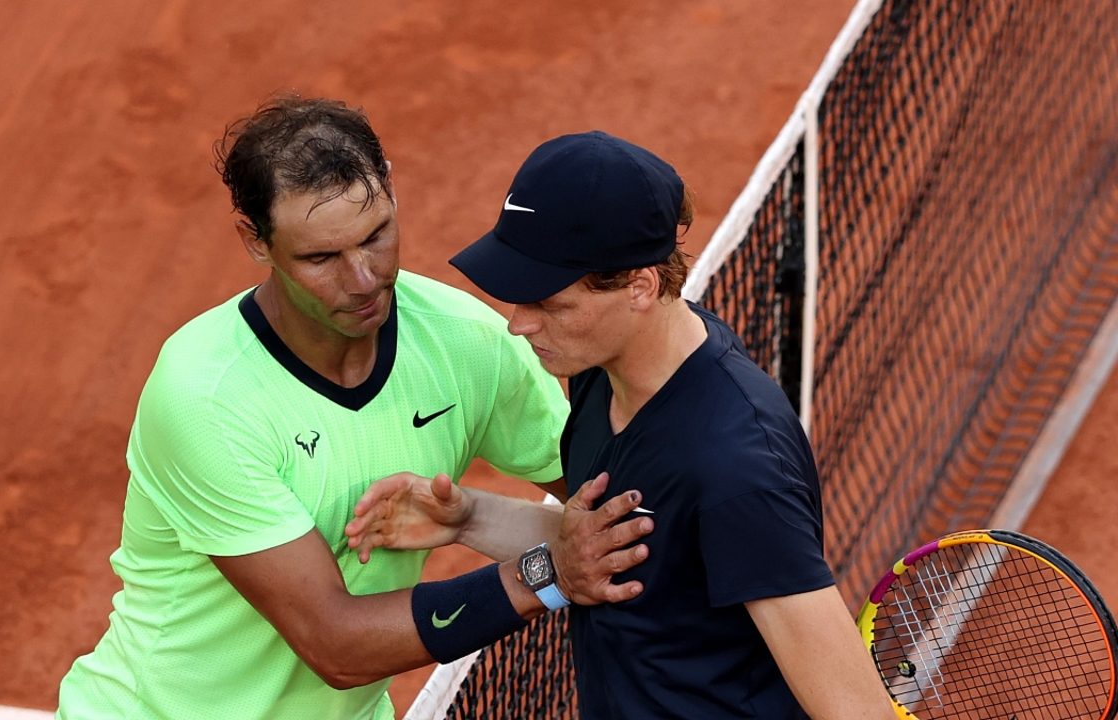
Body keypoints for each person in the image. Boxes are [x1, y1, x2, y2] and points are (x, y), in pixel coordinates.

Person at [55, 98, 652, 720]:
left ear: (390, 185)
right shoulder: (206, 396)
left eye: (376, 236)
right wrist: (547, 573)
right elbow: (335, 644)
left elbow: (616, 504)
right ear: (256, 242)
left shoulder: (468, 344)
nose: (364, 278)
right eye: (320, 258)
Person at [346, 131, 897, 718]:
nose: (518, 326)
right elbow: (615, 549)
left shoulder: (736, 468)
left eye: (549, 304)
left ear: (640, 286)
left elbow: (855, 710)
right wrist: (469, 517)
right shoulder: (600, 371)